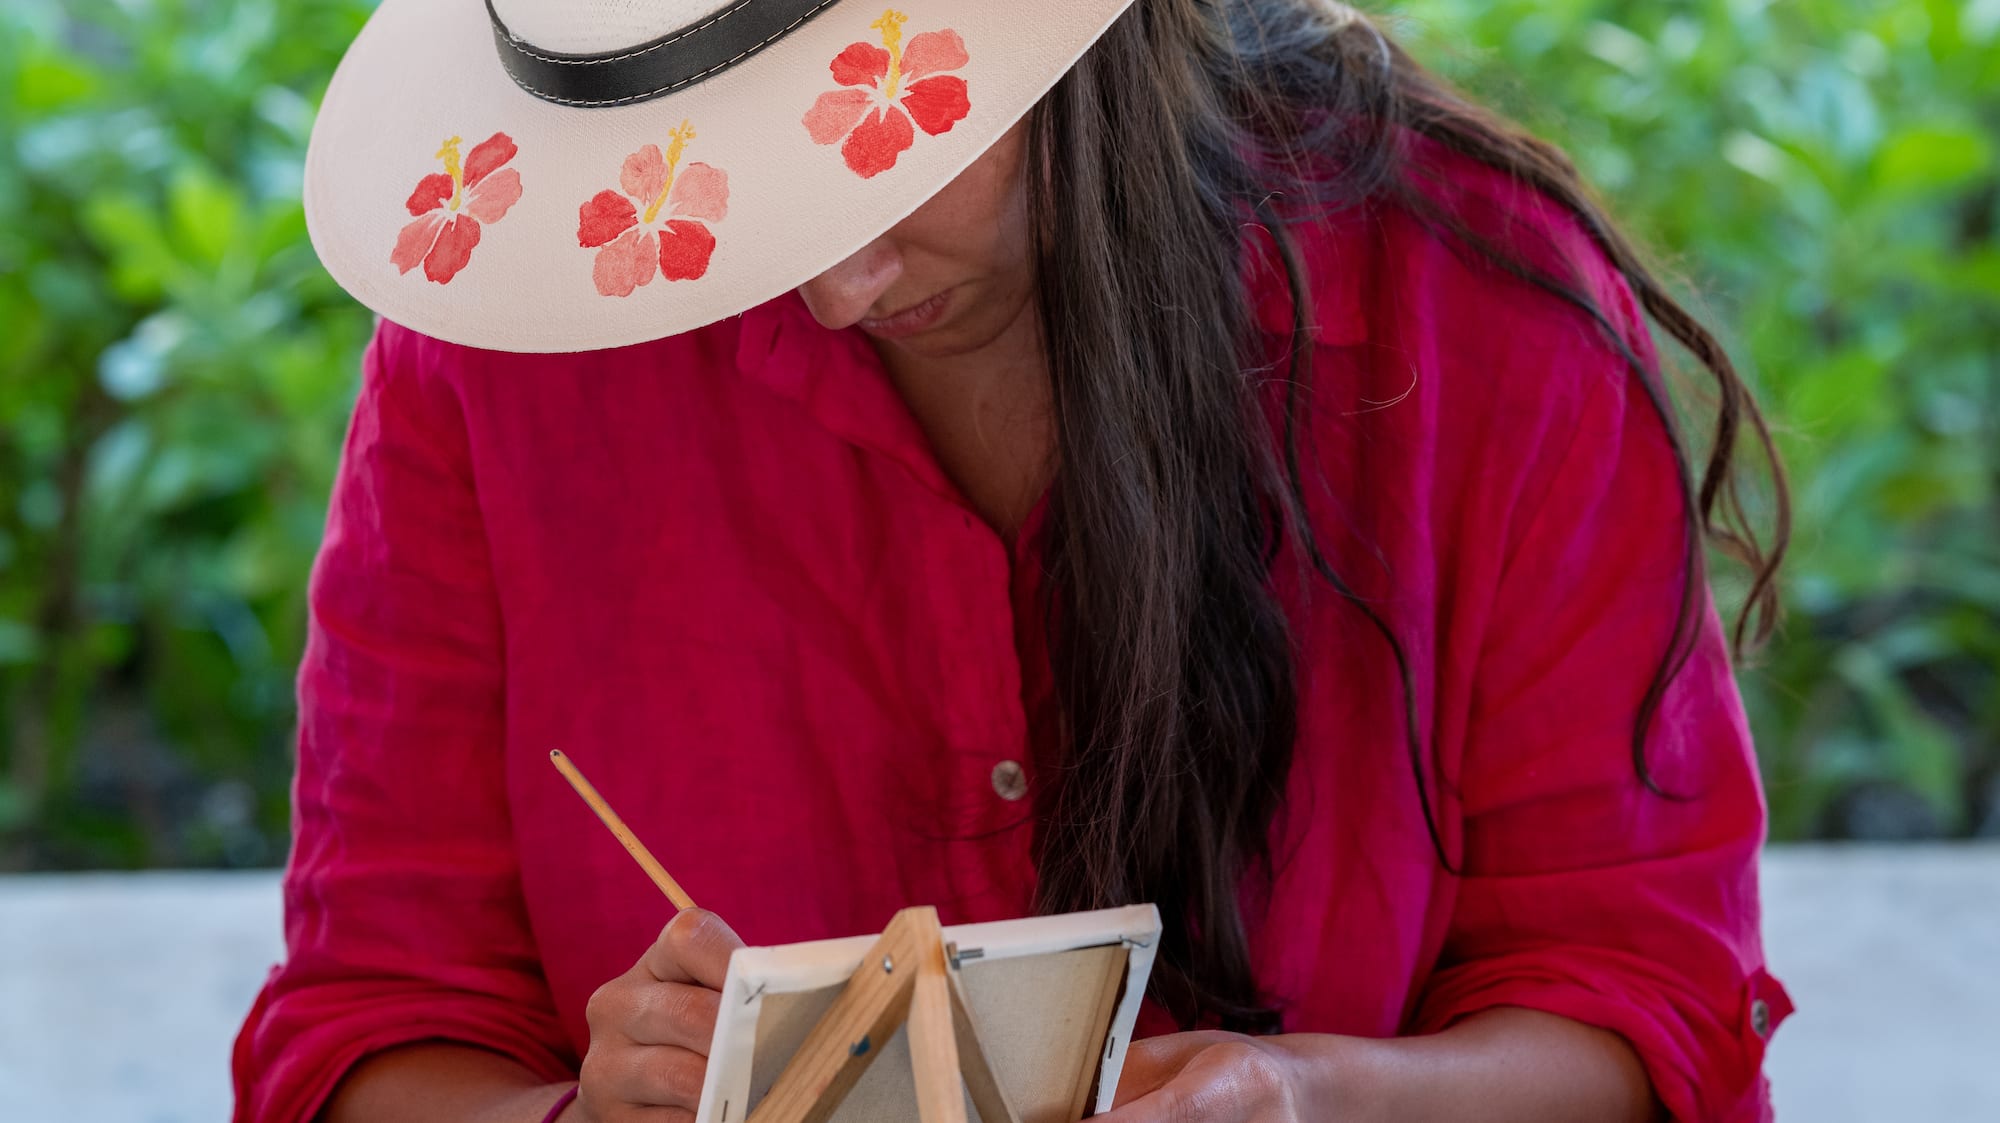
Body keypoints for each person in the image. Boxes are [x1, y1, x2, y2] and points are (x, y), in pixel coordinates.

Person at [231, 0, 1797, 1120]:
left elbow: (1645, 999)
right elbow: (368, 1024)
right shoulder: (507, 361)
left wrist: (1320, 1098)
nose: (834, 280)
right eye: (718, 190)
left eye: (874, 155)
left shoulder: (1483, 326)